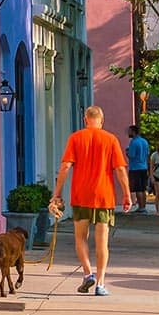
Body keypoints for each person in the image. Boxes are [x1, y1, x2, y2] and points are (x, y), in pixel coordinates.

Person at [48, 106, 132, 296]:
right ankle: (100, 283)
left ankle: (87, 273)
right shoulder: (110, 139)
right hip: (104, 196)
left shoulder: (75, 138)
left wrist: (57, 193)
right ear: (101, 120)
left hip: (81, 196)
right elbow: (120, 170)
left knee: (80, 238)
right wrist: (127, 194)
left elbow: (65, 167)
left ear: (86, 119)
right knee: (102, 243)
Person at [125, 125, 151, 213]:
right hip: (143, 167)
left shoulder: (134, 142)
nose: (128, 133)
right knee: (143, 189)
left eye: (129, 131)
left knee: (138, 189)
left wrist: (127, 152)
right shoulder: (144, 141)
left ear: (133, 132)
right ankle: (143, 206)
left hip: (135, 168)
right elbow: (147, 154)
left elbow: (131, 155)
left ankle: (141, 207)